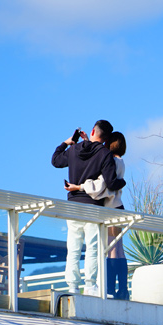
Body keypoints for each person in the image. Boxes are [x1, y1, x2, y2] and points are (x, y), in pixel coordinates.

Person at [51, 120, 123, 295]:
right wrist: (123, 181)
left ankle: (72, 286)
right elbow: (112, 183)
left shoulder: (74, 150)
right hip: (93, 206)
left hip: (73, 205)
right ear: (106, 138)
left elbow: (56, 161)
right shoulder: (105, 154)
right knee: (93, 248)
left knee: (74, 248)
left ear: (92, 131)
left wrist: (66, 143)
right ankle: (90, 285)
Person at [65, 132, 129, 300]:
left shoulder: (112, 161)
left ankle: (109, 288)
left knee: (110, 249)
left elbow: (101, 185)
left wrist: (78, 187)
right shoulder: (120, 161)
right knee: (118, 249)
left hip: (109, 208)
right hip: (118, 207)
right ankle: (122, 289)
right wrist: (87, 142)